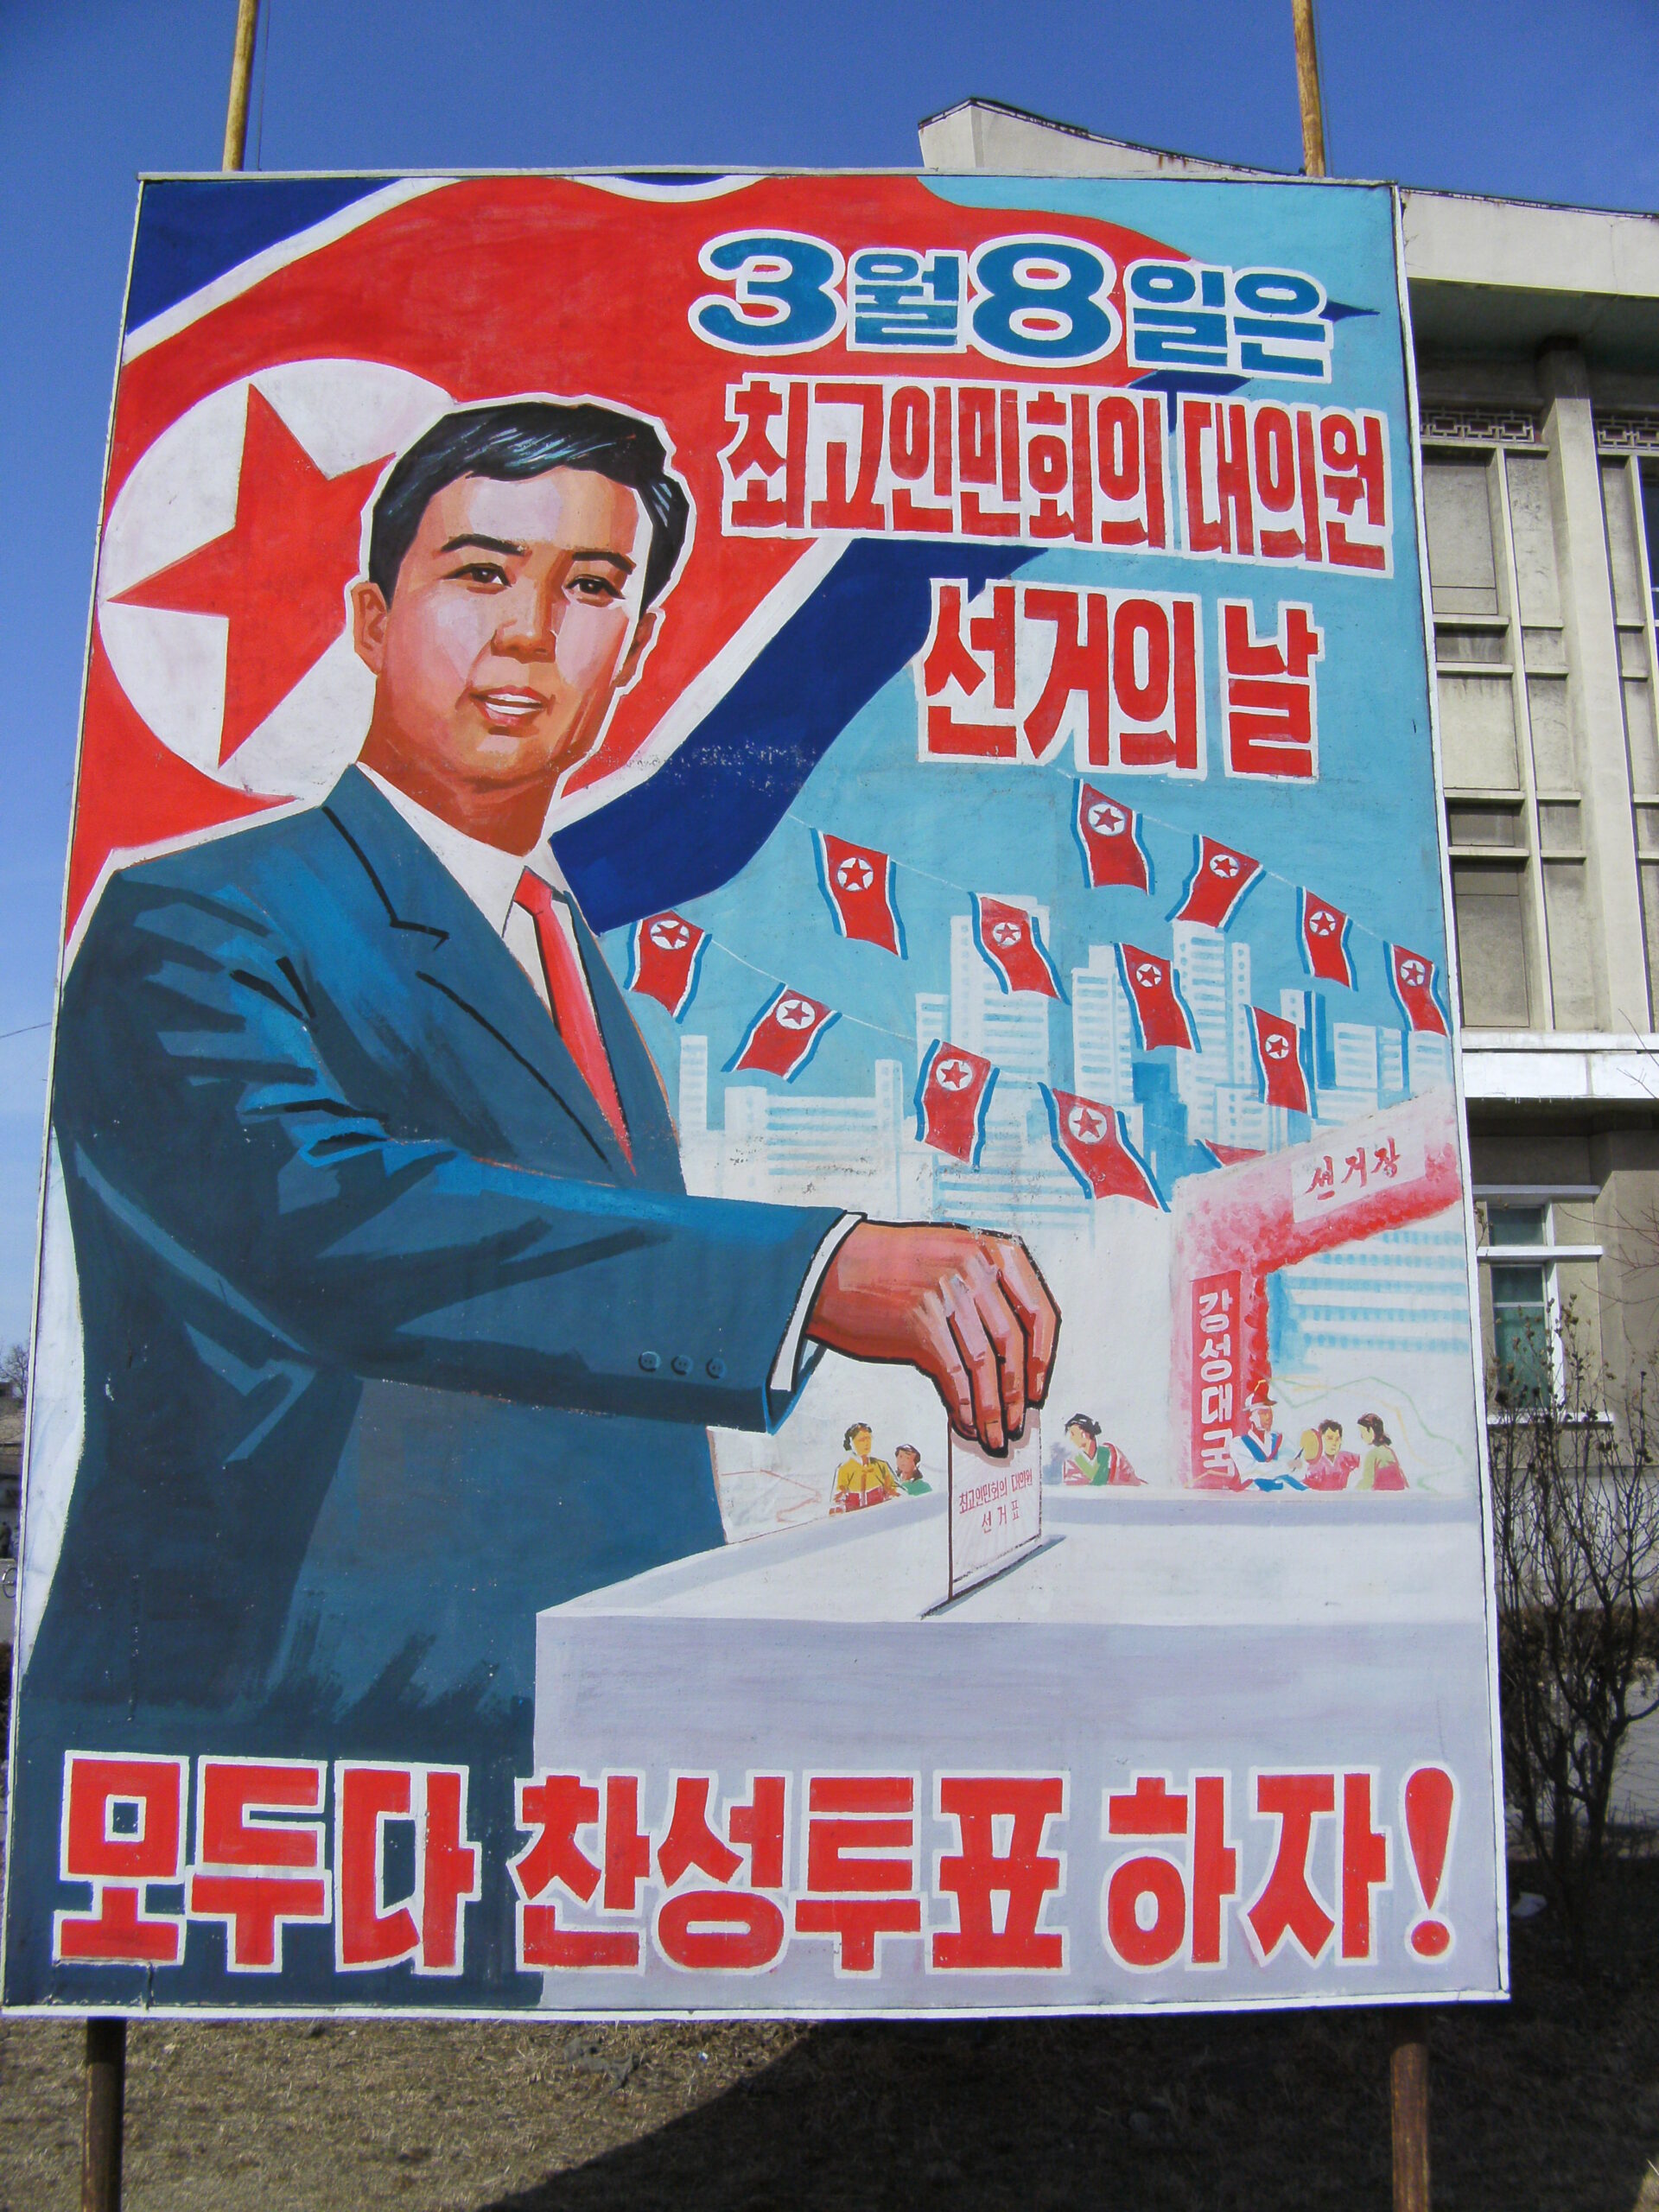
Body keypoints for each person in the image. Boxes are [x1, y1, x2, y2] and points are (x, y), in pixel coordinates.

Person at [28, 397, 1059, 1729]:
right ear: (371, 619)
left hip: (578, 1728)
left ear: (635, 648)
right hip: (288, 1741)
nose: (528, 630)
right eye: (480, 573)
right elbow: (331, 1228)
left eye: (591, 587)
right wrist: (814, 1276)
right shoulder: (196, 919)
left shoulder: (553, 947)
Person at [1228, 1380, 1306, 1491]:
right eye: (1262, 1413)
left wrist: (1294, 1465)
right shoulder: (1238, 1444)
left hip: (1280, 1492)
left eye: (1269, 1412)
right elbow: (1252, 1471)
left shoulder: (1279, 1440)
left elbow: (1298, 1466)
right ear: (1250, 1417)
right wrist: (1287, 1466)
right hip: (1251, 1494)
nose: (1268, 1417)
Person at [831, 1423, 900, 1511]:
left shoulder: (881, 1465)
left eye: (868, 1439)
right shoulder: (844, 1469)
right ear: (851, 1444)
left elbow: (895, 1492)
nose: (867, 1443)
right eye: (862, 1440)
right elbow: (837, 1500)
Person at [1060, 1414, 1141, 1486]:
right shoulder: (1073, 1461)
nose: (1071, 1438)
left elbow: (1129, 1478)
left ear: (1085, 1434)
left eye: (1073, 1434)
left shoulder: (1110, 1452)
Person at [1303, 1419, 1360, 1492]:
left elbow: (1364, 1462)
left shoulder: (1345, 1457)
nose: (1334, 1443)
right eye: (1329, 1438)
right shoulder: (1315, 1465)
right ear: (1320, 1439)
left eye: (1337, 1439)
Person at [1357, 1414, 1407, 1491]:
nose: (1361, 1436)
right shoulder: (1390, 1451)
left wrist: (1353, 1489)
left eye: (1363, 1432)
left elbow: (1367, 1482)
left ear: (1371, 1431)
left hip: (1380, 1493)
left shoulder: (1372, 1454)